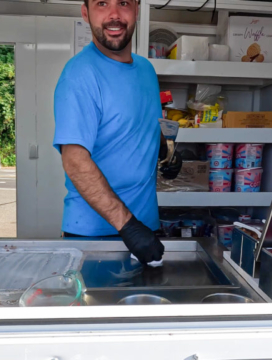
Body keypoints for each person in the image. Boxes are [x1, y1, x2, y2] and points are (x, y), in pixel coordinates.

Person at [53, 0, 180, 264]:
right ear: (85, 13)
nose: (114, 15)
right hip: (95, 235)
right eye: (102, 3)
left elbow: (141, 126)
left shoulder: (146, 70)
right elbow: (75, 161)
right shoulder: (79, 74)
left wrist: (166, 152)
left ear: (136, 9)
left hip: (146, 229)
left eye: (123, 3)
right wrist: (128, 226)